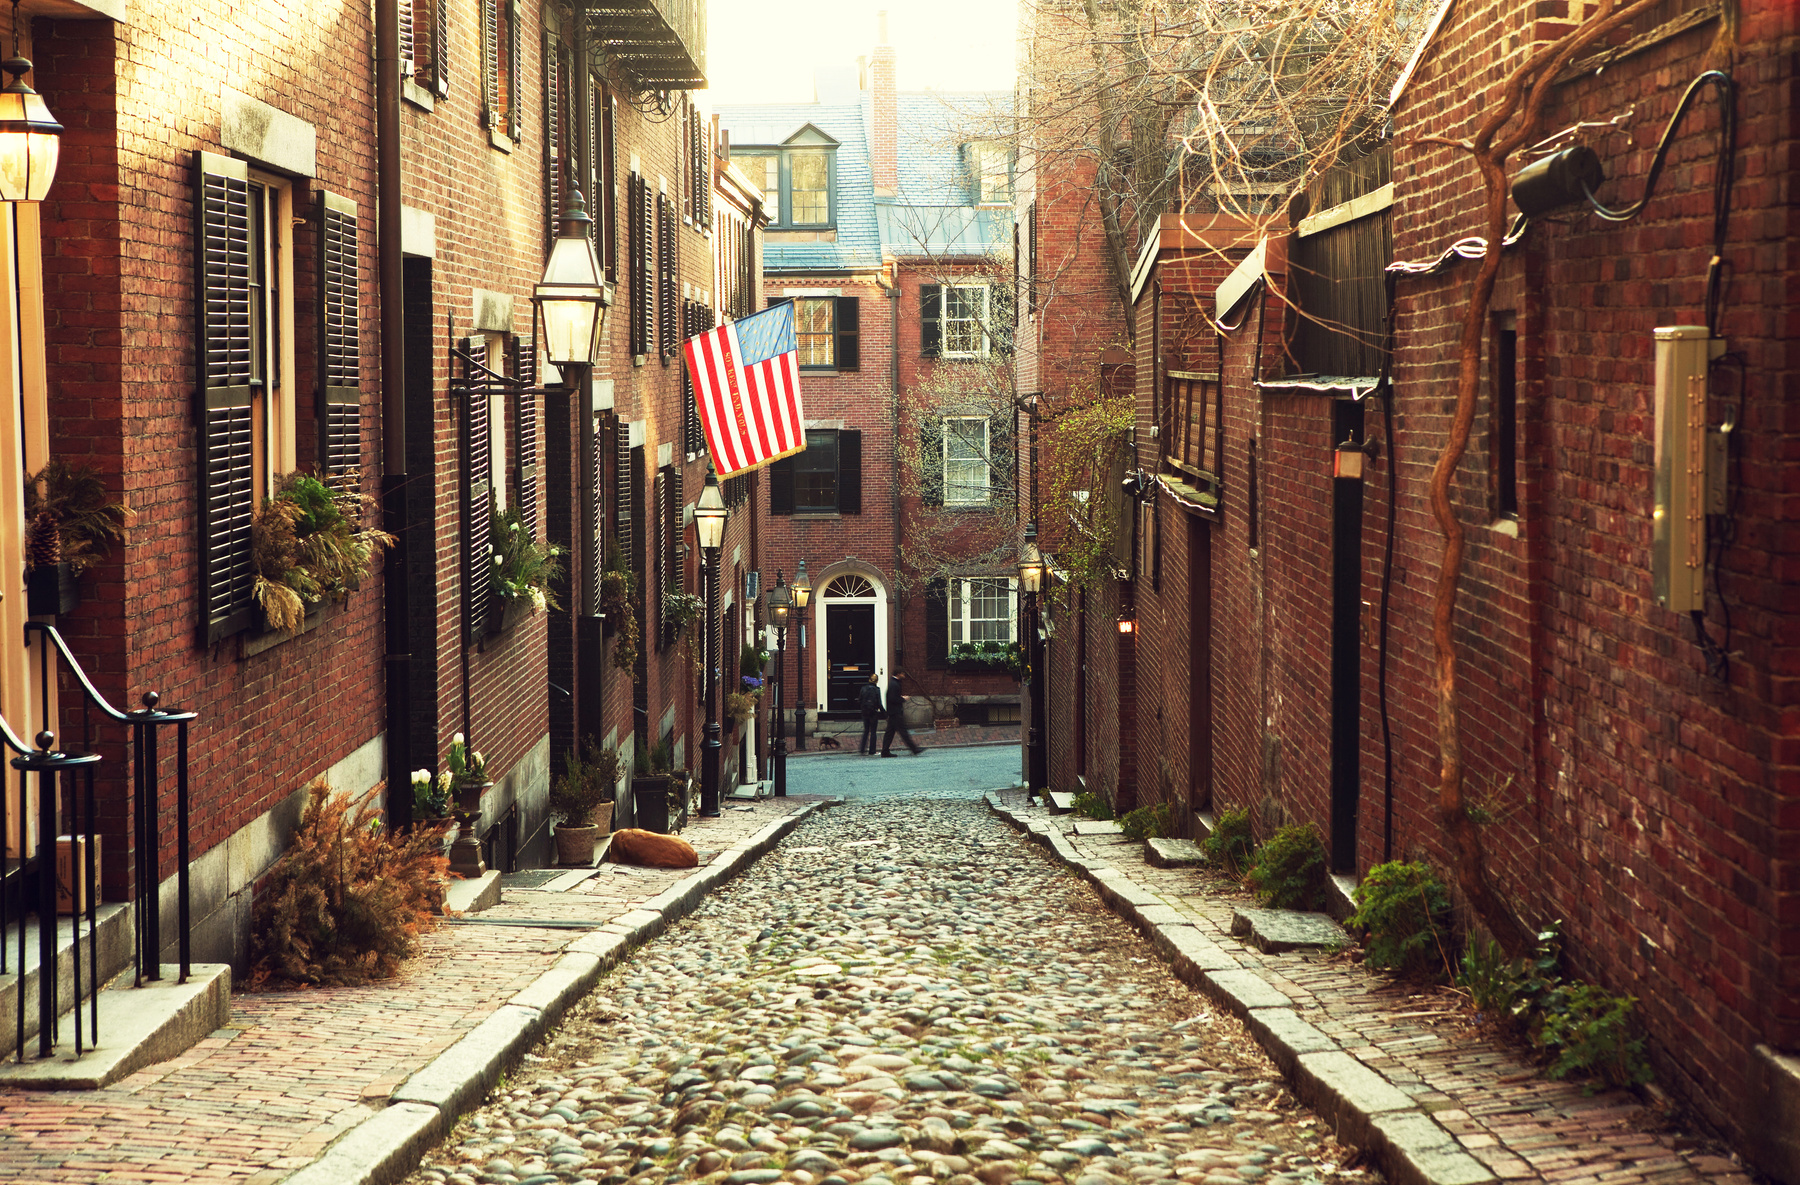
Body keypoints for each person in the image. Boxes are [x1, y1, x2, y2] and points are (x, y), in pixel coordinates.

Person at [881, 669, 923, 756]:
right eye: (903, 673)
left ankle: (885, 751)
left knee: (890, 732)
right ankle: (914, 749)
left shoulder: (893, 683)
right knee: (903, 731)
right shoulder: (894, 684)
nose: (904, 675)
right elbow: (893, 699)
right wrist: (903, 699)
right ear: (898, 674)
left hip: (892, 712)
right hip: (896, 712)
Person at [857, 674, 884, 756]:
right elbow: (879, 703)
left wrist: (863, 709)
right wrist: (884, 713)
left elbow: (859, 700)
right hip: (873, 712)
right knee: (873, 731)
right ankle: (872, 750)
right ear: (877, 681)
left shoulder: (863, 688)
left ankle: (862, 749)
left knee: (866, 730)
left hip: (865, 712)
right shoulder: (877, 690)